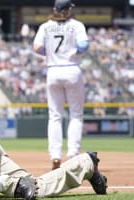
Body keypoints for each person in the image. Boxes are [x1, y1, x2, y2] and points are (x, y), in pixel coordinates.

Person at [33, 0, 89, 170]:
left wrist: (50, 52)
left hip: (53, 70)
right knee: (76, 114)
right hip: (72, 69)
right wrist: (72, 52)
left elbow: (37, 48)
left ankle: (56, 156)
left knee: (55, 116)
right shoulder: (76, 25)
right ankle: (72, 153)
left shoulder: (45, 26)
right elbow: (83, 45)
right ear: (69, 10)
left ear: (54, 10)